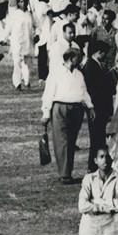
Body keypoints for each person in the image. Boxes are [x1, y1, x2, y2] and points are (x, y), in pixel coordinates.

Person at [41, 49, 94, 184]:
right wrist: (46, 113)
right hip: (60, 108)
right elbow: (48, 93)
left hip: (76, 109)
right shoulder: (56, 73)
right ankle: (64, 174)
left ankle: (67, 171)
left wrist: (90, 106)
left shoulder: (79, 74)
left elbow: (84, 91)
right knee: (61, 141)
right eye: (78, 58)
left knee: (71, 141)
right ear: (71, 58)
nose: (80, 61)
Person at [82, 40, 115, 170]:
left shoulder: (96, 65)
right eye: (103, 53)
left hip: (100, 107)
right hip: (97, 107)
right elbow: (95, 89)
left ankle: (95, 163)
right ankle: (93, 164)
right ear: (98, 53)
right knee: (96, 137)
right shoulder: (91, 66)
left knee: (99, 137)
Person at [2, 0, 36, 90]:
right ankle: (17, 83)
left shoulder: (29, 14)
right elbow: (8, 27)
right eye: (21, 1)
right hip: (17, 42)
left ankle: (27, 81)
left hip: (28, 41)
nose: (23, 3)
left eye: (24, 1)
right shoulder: (14, 14)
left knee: (27, 63)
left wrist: (37, 34)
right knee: (17, 63)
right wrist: (4, 38)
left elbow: (35, 26)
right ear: (18, 3)